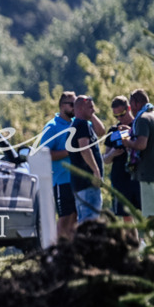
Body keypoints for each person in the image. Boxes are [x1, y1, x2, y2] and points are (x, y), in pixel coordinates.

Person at [121, 88, 154, 248]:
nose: (131, 109)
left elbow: (141, 144)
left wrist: (127, 142)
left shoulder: (142, 118)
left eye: (131, 105)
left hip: (149, 171)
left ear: (135, 103)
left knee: (153, 215)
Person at [102, 96, 142, 245]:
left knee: (146, 213)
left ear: (129, 109)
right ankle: (134, 246)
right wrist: (112, 153)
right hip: (120, 178)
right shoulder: (112, 131)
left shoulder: (139, 126)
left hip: (137, 176)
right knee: (126, 217)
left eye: (122, 114)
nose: (120, 118)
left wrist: (130, 143)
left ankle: (150, 244)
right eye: (116, 116)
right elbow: (105, 159)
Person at [40, 91, 78, 240]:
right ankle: (56, 251)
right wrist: (69, 152)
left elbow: (100, 131)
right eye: (72, 104)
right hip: (61, 180)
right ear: (62, 106)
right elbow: (44, 154)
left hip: (76, 179)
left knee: (74, 217)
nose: (75, 108)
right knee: (64, 218)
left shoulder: (78, 122)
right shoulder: (52, 127)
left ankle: (70, 249)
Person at [68, 95, 104, 224]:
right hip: (87, 182)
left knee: (84, 220)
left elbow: (102, 131)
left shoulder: (75, 125)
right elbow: (84, 149)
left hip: (80, 183)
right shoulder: (82, 124)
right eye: (90, 107)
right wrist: (96, 171)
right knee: (90, 222)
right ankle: (85, 245)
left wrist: (90, 114)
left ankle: (81, 244)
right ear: (81, 108)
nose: (93, 110)